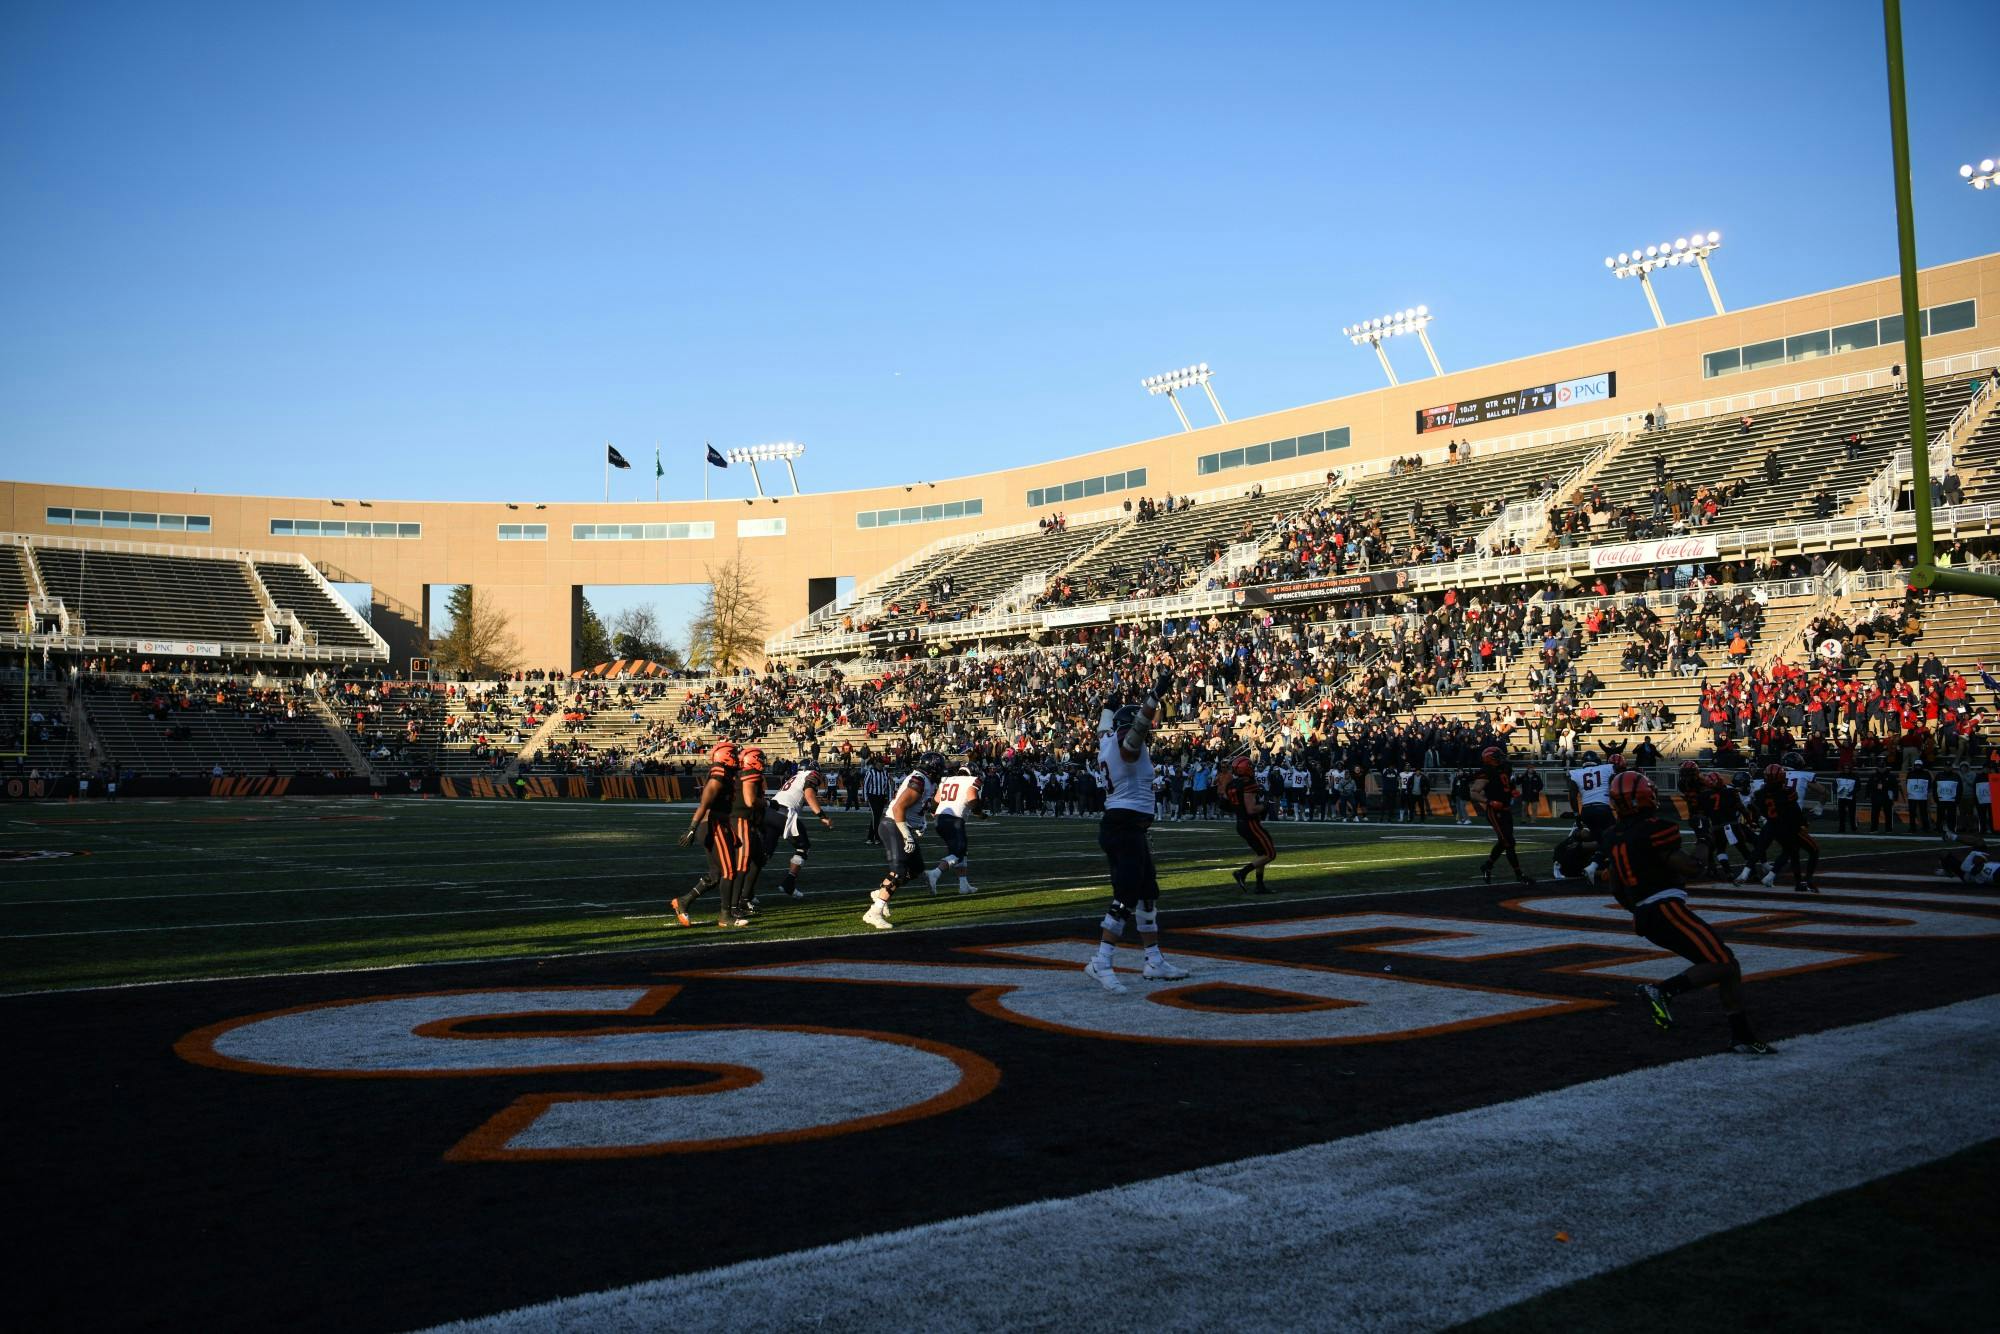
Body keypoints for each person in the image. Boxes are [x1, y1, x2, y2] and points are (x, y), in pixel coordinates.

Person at [1603, 771, 1774, 1056]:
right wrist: (1704, 838)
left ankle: (1742, 1036)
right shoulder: (1656, 829)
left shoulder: (1612, 835)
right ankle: (1663, 991)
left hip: (1647, 913)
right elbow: (1694, 867)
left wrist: (1638, 910)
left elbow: (1616, 887)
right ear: (1646, 796)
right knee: (1722, 962)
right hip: (1664, 907)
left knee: (1726, 965)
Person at [1084, 676, 1189, 992]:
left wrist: (1109, 705)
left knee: (1147, 893)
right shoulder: (1126, 743)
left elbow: (1105, 726)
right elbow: (1136, 733)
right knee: (1126, 897)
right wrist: (1153, 697)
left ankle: (1154, 960)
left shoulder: (1105, 739)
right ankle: (1101, 961)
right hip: (1123, 827)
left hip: (1130, 827)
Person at [864, 753, 942, 930]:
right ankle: (874, 912)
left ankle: (880, 892)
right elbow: (899, 807)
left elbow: (921, 806)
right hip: (894, 824)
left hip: (902, 825)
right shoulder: (919, 780)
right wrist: (907, 834)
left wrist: (921, 822)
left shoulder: (927, 781)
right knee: (898, 870)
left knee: (916, 870)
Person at [674, 741, 746, 928]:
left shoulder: (727, 774)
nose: (736, 757)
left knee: (715, 875)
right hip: (713, 825)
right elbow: (704, 804)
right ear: (724, 756)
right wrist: (692, 827)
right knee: (729, 871)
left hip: (719, 824)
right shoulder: (719, 773)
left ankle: (684, 901)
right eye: (733, 753)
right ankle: (725, 916)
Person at [1737, 762, 1821, 893]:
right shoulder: (1787, 792)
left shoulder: (1760, 794)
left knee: (1785, 851)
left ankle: (1751, 873)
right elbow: (1795, 811)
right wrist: (1803, 823)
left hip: (1772, 825)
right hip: (1789, 827)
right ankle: (1806, 880)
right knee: (1812, 850)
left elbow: (1761, 809)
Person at [767, 762, 835, 900]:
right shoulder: (811, 775)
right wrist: (822, 816)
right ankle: (789, 883)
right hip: (785, 813)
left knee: (764, 853)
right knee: (803, 847)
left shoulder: (796, 776)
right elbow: (809, 794)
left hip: (770, 812)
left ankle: (746, 895)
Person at [1471, 746, 1532, 885]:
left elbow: (1508, 784)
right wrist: (1489, 802)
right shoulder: (1486, 772)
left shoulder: (1505, 767)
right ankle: (1519, 874)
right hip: (1495, 811)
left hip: (1505, 809)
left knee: (1506, 841)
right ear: (1490, 758)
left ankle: (1487, 866)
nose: (1501, 758)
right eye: (1498, 756)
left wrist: (1513, 790)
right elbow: (1473, 792)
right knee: (1508, 842)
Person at [1219, 755, 1278, 894]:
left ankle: (1259, 885)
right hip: (1251, 823)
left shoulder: (1232, 785)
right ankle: (1242, 873)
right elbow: (1251, 809)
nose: (1252, 769)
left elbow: (1225, 805)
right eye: (1250, 766)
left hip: (1241, 823)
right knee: (1270, 854)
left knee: (1261, 853)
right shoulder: (1248, 784)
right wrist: (1266, 805)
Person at [925, 763, 982, 895]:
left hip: (940, 819)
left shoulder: (947, 779)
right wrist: (980, 813)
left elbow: (934, 803)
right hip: (954, 820)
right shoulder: (972, 780)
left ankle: (963, 885)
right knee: (958, 853)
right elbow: (972, 797)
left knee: (960, 851)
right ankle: (935, 874)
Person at [861, 755, 894, 844]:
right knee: (875, 816)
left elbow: (889, 786)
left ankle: (870, 838)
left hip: (881, 797)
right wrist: (865, 798)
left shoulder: (885, 773)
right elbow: (865, 786)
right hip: (872, 796)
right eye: (881, 763)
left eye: (883, 763)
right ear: (876, 763)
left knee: (877, 817)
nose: (882, 765)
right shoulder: (870, 772)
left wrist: (890, 798)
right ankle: (877, 838)